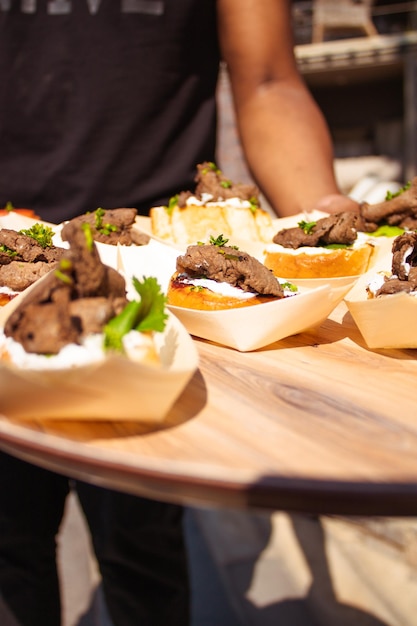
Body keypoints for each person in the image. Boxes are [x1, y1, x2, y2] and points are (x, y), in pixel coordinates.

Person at [0, 1, 358, 625]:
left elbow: (269, 78)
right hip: (8, 252)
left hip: (157, 279)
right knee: (6, 551)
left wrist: (324, 233)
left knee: (143, 551)